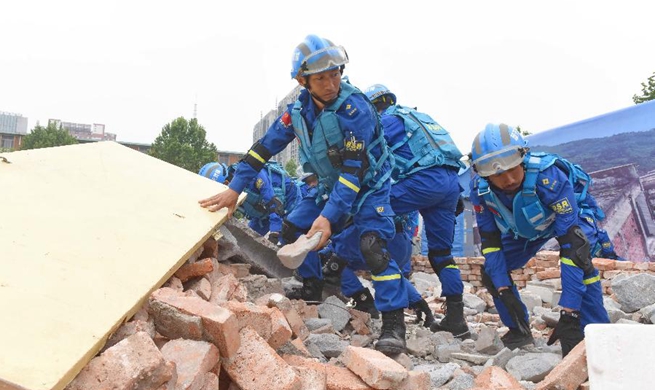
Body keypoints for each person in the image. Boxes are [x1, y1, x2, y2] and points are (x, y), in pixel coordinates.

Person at [199, 35, 408, 355]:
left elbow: (353, 173)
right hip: (327, 186)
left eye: (335, 74)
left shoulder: (356, 109)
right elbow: (262, 150)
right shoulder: (296, 113)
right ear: (303, 81)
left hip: (368, 187)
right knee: (292, 229)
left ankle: (394, 322)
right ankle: (316, 286)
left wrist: (327, 218)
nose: (330, 83)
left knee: (373, 247)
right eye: (321, 77)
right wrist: (234, 190)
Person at [468, 123, 610, 356]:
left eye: (513, 168)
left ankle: (594, 331)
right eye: (498, 175)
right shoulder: (480, 189)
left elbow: (571, 245)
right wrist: (503, 289)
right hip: (526, 227)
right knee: (493, 274)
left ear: (523, 157)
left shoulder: (549, 177)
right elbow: (490, 239)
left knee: (581, 262)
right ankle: (518, 329)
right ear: (483, 174)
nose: (509, 179)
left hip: (567, 220)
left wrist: (569, 312)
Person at [364, 84, 470, 339]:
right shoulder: (420, 119)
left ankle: (392, 314)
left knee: (368, 212)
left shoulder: (387, 120)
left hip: (423, 182)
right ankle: (457, 320)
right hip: (450, 183)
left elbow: (367, 156)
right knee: (442, 254)